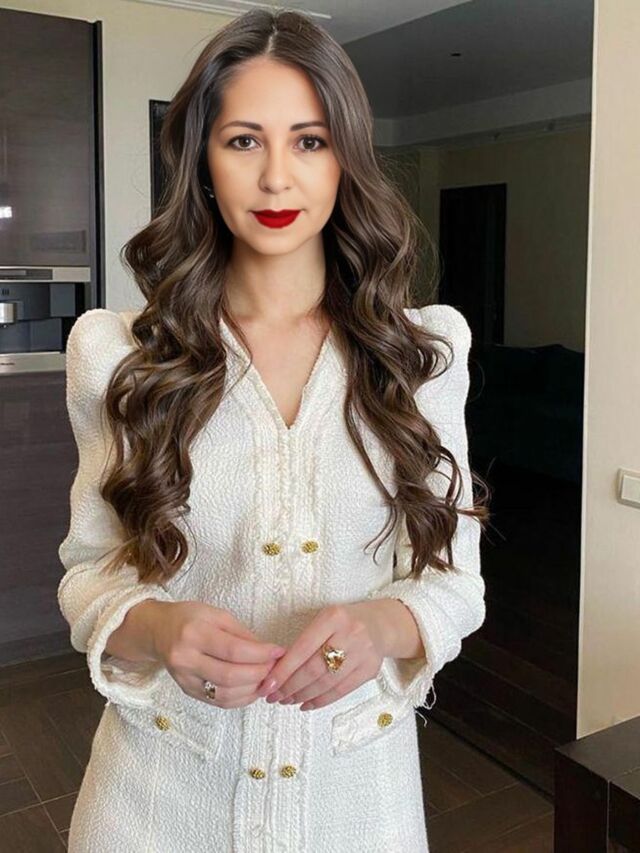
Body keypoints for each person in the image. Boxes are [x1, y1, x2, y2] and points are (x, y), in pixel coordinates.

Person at [58, 8, 490, 852]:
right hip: (156, 804)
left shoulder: (422, 356)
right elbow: (90, 573)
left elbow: (454, 584)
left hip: (357, 806)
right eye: (244, 141)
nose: (276, 179)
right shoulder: (120, 357)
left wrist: (383, 625)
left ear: (346, 157)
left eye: (310, 141)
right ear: (202, 161)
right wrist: (158, 629)